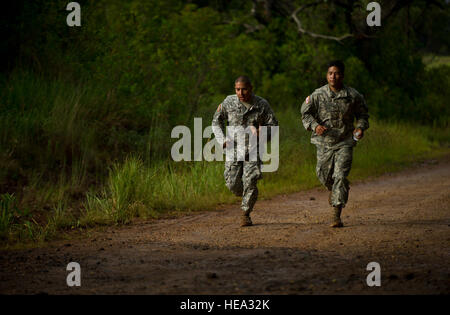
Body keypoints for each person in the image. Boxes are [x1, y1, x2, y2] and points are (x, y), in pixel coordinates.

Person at [301, 60, 369, 228]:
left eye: (337, 73)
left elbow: (363, 115)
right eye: (330, 73)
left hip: (345, 141)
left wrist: (360, 128)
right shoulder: (317, 95)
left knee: (340, 175)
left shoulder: (353, 96)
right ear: (327, 75)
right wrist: (315, 126)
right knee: (323, 175)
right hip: (324, 143)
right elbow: (305, 114)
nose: (333, 76)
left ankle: (336, 214)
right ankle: (337, 190)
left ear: (342, 75)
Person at [212, 76, 278, 227]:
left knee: (250, 182)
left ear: (251, 88)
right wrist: (222, 139)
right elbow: (216, 121)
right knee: (232, 184)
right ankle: (249, 194)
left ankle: (245, 214)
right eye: (237, 89)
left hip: (254, 150)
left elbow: (273, 125)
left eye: (244, 89)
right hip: (233, 150)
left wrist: (263, 132)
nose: (240, 92)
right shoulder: (228, 102)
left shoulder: (261, 105)